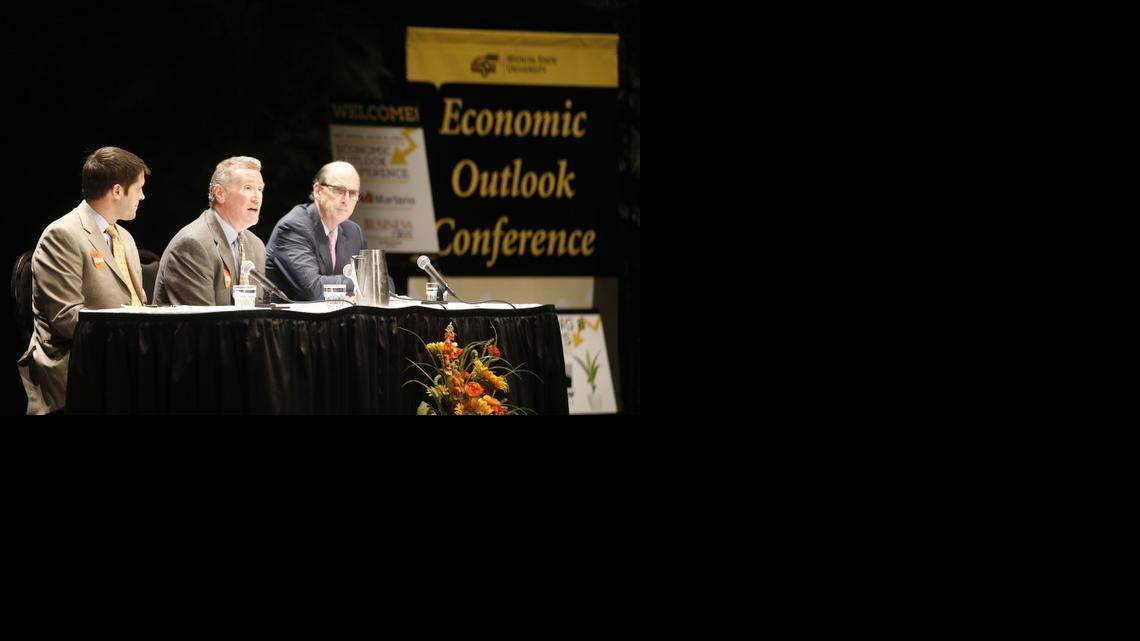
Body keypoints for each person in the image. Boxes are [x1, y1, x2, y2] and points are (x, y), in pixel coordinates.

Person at [18, 146, 150, 414]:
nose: (143, 196)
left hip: (123, 358)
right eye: (138, 189)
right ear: (116, 191)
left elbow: (138, 303)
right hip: (80, 367)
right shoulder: (62, 235)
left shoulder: (124, 238)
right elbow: (67, 319)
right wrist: (129, 336)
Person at [265, 160, 391, 301]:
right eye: (339, 191)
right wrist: (364, 283)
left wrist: (371, 282)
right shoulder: (294, 227)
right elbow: (312, 289)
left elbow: (384, 282)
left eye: (353, 193)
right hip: (291, 321)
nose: (347, 200)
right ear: (318, 190)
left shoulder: (353, 231)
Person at [153, 156, 267, 306]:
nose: (257, 198)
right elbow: (203, 324)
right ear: (220, 193)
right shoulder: (193, 244)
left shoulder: (256, 245)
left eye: (260, 189)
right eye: (248, 188)